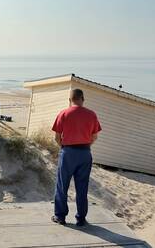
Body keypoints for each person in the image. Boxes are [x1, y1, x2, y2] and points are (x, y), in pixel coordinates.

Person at [51, 89, 102, 226]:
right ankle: (81, 218)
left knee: (62, 185)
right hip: (85, 153)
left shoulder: (64, 113)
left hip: (68, 152)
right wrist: (86, 145)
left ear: (70, 100)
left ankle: (60, 217)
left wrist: (65, 147)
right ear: (82, 99)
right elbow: (94, 136)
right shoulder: (91, 114)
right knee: (82, 187)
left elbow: (57, 137)